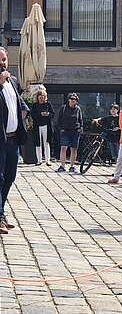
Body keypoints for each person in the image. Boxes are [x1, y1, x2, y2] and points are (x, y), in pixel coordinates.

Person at [0, 47, 30, 234]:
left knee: (9, 178)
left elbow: (19, 102)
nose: (2, 63)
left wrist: (23, 113)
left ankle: (1, 212)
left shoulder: (14, 81)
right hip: (0, 141)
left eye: (4, 59)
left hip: (13, 140)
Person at [56, 93, 83, 174]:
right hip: (65, 131)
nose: (73, 100)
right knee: (64, 147)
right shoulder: (63, 108)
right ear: (68, 100)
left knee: (74, 149)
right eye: (71, 99)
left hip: (75, 131)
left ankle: (72, 166)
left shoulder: (78, 109)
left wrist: (81, 127)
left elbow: (80, 119)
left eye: (75, 99)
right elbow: (59, 119)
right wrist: (61, 129)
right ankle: (62, 166)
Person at [31, 90, 54, 166]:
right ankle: (39, 160)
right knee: (38, 143)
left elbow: (52, 114)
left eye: (43, 97)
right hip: (37, 126)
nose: (42, 99)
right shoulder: (35, 105)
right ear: (38, 98)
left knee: (46, 143)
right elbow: (33, 115)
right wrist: (41, 114)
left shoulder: (48, 104)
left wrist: (48, 114)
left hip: (46, 125)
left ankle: (48, 160)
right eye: (40, 97)